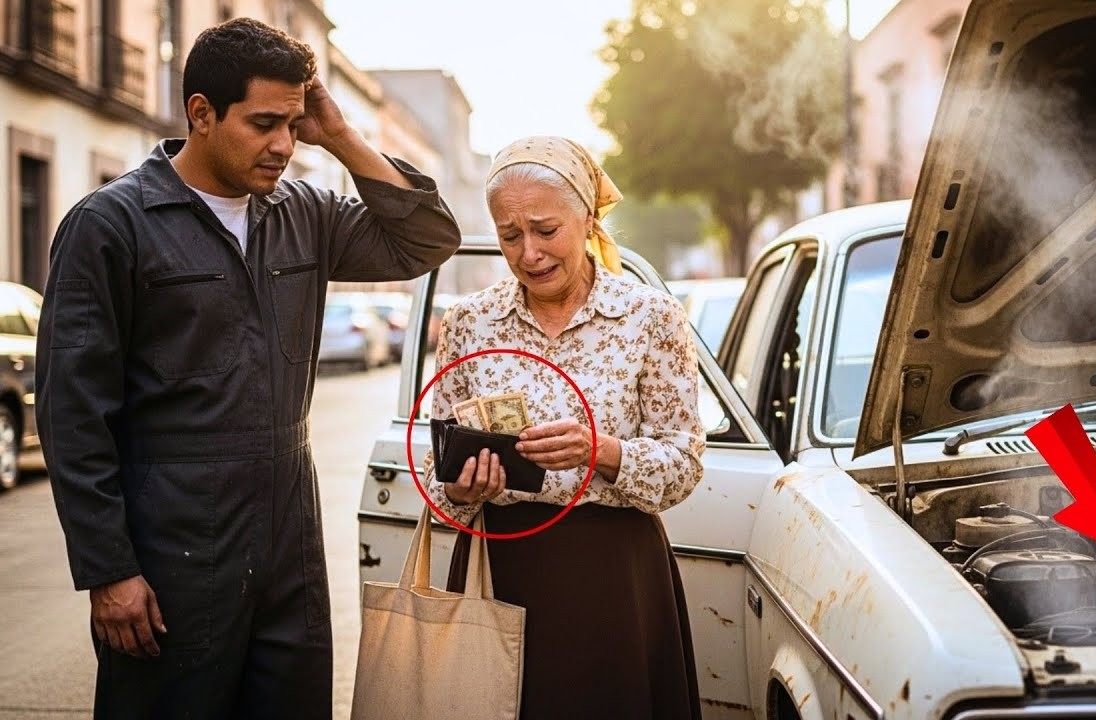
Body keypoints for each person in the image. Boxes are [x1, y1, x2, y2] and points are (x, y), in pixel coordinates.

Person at [35, 17, 460, 719]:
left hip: (288, 539)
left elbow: (427, 239)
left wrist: (343, 135)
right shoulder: (112, 225)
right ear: (201, 113)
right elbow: (73, 413)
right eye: (264, 123)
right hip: (172, 546)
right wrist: (108, 569)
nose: (285, 146)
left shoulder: (305, 214)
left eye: (294, 123)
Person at [425, 136, 705, 719]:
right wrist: (457, 488)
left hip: (616, 575)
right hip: (500, 571)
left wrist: (603, 452)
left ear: (586, 217)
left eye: (546, 229)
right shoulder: (469, 323)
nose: (529, 253)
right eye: (510, 235)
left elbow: (684, 464)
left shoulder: (649, 317)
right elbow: (434, 468)